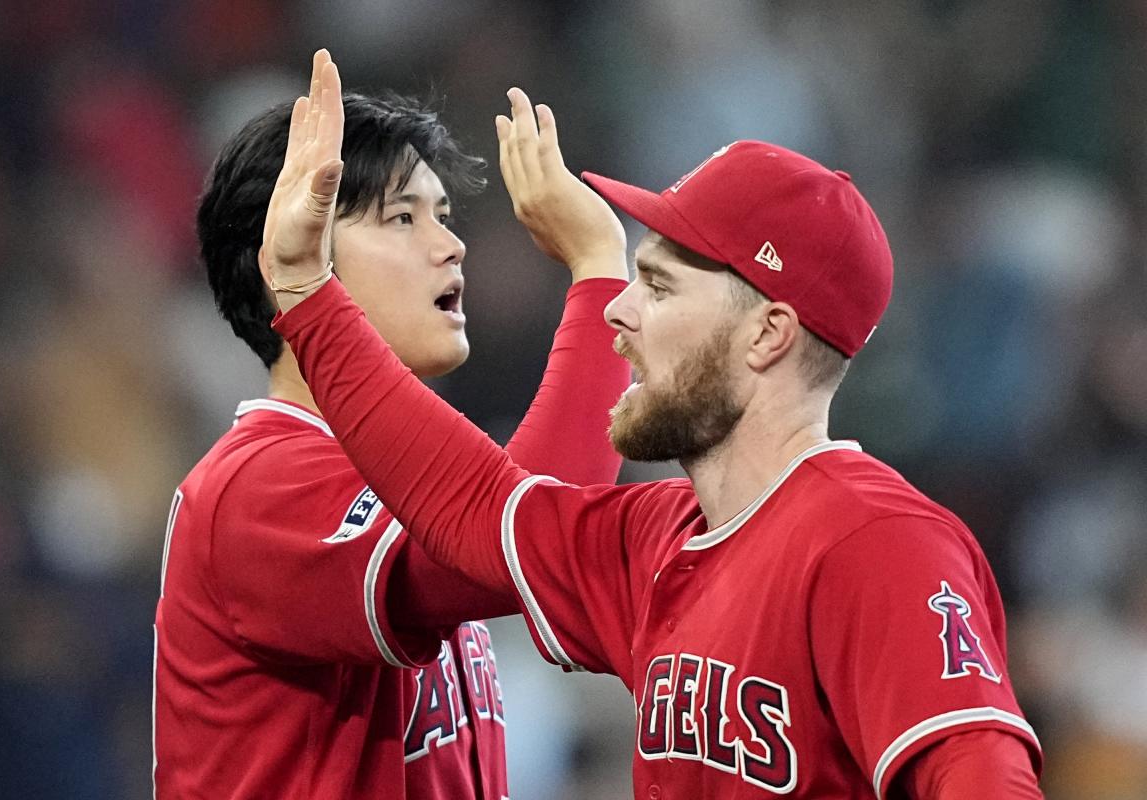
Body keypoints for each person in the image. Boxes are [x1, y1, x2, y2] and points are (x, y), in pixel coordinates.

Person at [266, 51, 1046, 799]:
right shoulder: (653, 539)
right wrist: (306, 292)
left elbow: (985, 778)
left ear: (768, 335)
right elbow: (474, 512)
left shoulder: (873, 540)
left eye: (660, 287)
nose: (618, 307)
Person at [152, 50, 630, 799]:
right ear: (288, 248)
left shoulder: (400, 478)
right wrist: (599, 266)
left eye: (442, 215)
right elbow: (535, 538)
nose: (450, 244)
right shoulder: (258, 486)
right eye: (402, 217)